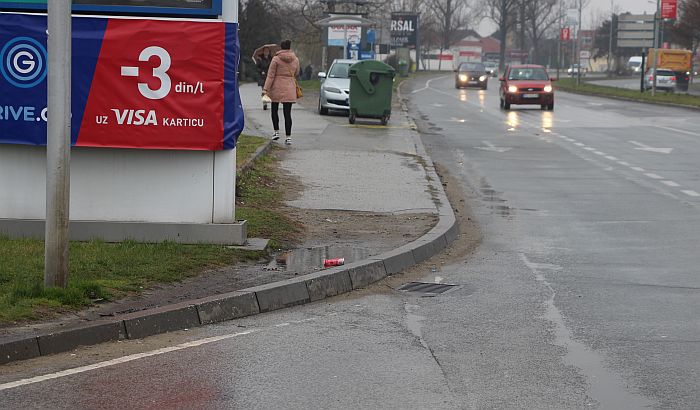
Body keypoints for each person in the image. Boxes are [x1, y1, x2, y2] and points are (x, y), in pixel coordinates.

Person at [262, 39, 300, 145]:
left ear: (281, 48)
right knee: (287, 113)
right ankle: (288, 137)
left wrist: (265, 89)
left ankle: (276, 132)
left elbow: (270, 75)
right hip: (289, 87)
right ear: (289, 47)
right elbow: (296, 72)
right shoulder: (295, 59)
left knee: (274, 110)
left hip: (276, 87)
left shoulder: (276, 59)